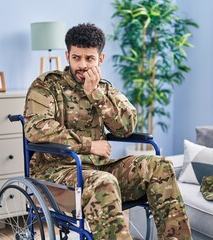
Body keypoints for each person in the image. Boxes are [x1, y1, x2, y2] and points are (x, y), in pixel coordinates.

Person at [23, 23, 192, 240]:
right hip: (56, 172)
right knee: (104, 181)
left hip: (99, 168)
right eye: (76, 58)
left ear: (100, 59)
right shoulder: (46, 86)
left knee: (159, 166)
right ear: (67, 56)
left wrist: (96, 95)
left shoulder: (105, 89)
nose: (82, 65)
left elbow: (127, 127)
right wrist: (89, 145)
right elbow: (37, 129)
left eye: (89, 58)